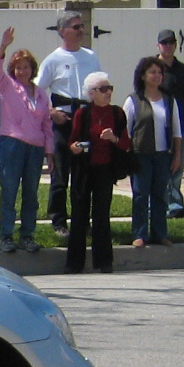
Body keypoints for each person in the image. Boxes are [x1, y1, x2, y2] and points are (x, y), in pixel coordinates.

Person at [0, 27, 57, 254]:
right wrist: (3, 46)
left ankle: (27, 235)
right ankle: (5, 235)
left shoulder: (40, 94)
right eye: (18, 67)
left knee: (31, 193)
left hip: (35, 148)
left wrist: (50, 153)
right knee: (9, 190)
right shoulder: (7, 86)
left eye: (26, 67)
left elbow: (47, 124)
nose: (22, 71)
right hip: (12, 143)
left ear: (32, 69)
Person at [36, 12, 102, 239]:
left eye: (82, 26)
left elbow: (100, 87)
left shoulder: (91, 57)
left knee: (83, 173)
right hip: (63, 125)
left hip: (84, 123)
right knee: (61, 173)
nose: (80, 30)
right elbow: (36, 94)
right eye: (76, 26)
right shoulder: (53, 60)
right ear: (62, 31)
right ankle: (58, 220)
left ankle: (82, 221)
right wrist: (51, 112)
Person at [65, 71, 129, 275]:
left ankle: (104, 261)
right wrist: (75, 147)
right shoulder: (81, 114)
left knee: (102, 215)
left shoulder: (117, 113)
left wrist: (113, 138)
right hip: (84, 169)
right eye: (103, 89)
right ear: (92, 93)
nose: (108, 92)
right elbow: (72, 142)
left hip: (105, 170)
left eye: (109, 88)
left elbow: (126, 143)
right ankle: (74, 263)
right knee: (79, 215)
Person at [126, 56, 184, 248]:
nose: (157, 76)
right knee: (141, 194)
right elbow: (126, 131)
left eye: (160, 72)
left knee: (160, 195)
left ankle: (160, 233)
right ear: (142, 76)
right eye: (152, 72)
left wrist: (176, 156)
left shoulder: (169, 100)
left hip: (162, 155)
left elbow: (176, 131)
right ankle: (139, 233)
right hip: (140, 155)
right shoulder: (133, 100)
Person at [153, 29, 184, 218]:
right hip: (158, 128)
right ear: (158, 45)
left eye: (171, 42)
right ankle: (159, 205)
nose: (168, 46)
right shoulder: (152, 69)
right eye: (164, 42)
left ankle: (175, 206)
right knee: (160, 168)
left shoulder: (183, 71)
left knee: (177, 168)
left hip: (181, 127)